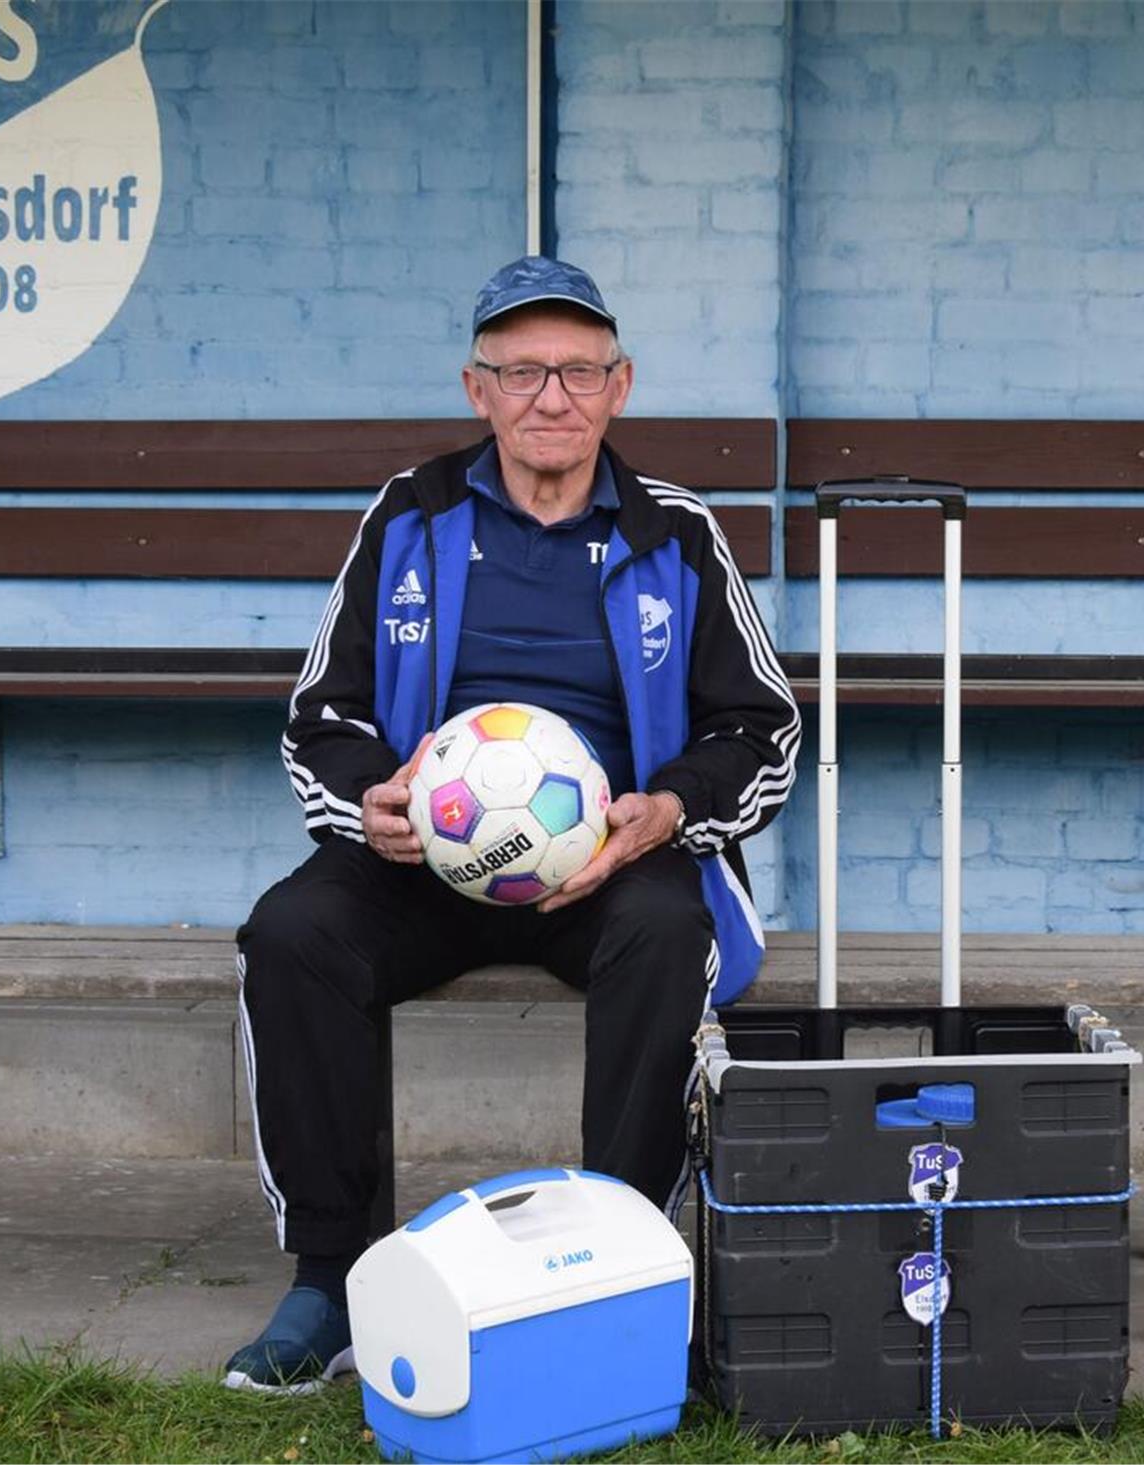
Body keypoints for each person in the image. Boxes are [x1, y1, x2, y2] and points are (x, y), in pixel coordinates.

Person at [223, 256, 798, 1393]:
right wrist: (373, 803)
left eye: (578, 371)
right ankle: (332, 1280)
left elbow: (760, 727)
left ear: (620, 387)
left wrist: (667, 810)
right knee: (291, 934)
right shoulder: (411, 513)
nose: (552, 396)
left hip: (607, 865)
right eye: (523, 370)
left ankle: (620, 1268)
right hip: (427, 868)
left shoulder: (676, 533)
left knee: (663, 937)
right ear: (477, 387)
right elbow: (320, 715)